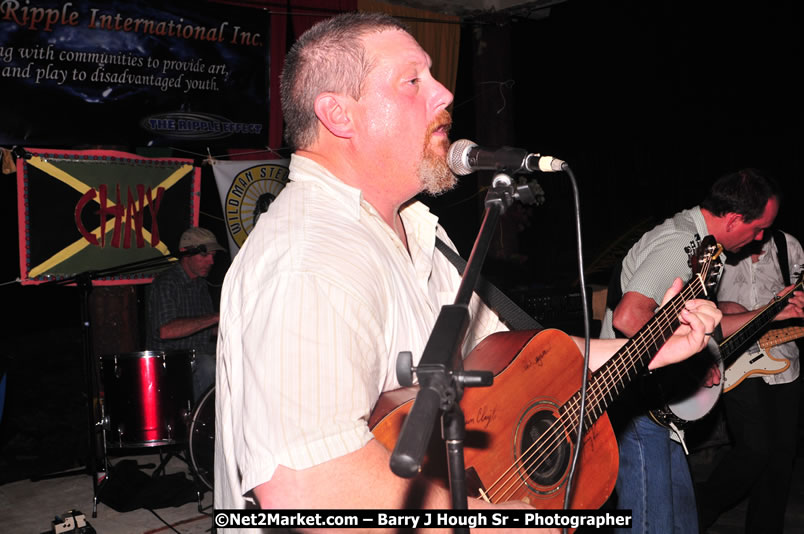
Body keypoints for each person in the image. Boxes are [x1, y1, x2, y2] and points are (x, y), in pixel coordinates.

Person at [214, 12, 721, 528]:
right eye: (413, 80)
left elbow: (512, 365)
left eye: (433, 75)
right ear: (339, 115)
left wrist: (648, 348)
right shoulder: (310, 258)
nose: (444, 94)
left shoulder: (416, 229)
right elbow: (309, 484)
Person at [600, 169, 804, 533]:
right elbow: (630, 317)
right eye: (758, 229)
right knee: (652, 525)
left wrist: (772, 311)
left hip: (662, 409)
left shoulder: (706, 247)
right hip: (635, 403)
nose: (761, 239)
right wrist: (693, 360)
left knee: (683, 521)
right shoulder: (681, 243)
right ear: (734, 218)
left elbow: (709, 328)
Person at [696, 229, 804, 533]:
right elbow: (697, 302)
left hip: (783, 357)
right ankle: (701, 507)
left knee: (781, 458)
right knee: (755, 449)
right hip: (734, 358)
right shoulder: (719, 250)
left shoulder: (788, 245)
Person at [146, 226, 224, 400]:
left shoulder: (201, 284)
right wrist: (215, 317)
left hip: (197, 354)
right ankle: (203, 423)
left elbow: (202, 327)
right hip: (170, 362)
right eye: (204, 255)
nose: (211, 262)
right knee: (207, 365)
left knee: (234, 358)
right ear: (185, 253)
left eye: (213, 256)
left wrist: (231, 326)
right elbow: (166, 331)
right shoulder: (167, 283)